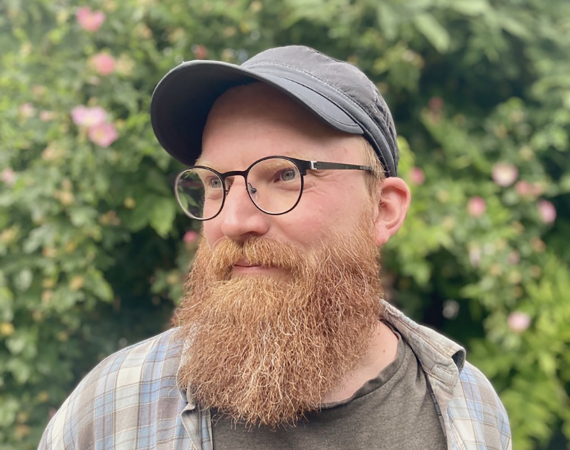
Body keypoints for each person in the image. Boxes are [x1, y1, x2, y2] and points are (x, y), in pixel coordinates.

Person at [39, 45, 511, 450]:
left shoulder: (469, 408)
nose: (233, 221)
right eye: (215, 183)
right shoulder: (108, 411)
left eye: (286, 175)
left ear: (384, 209)